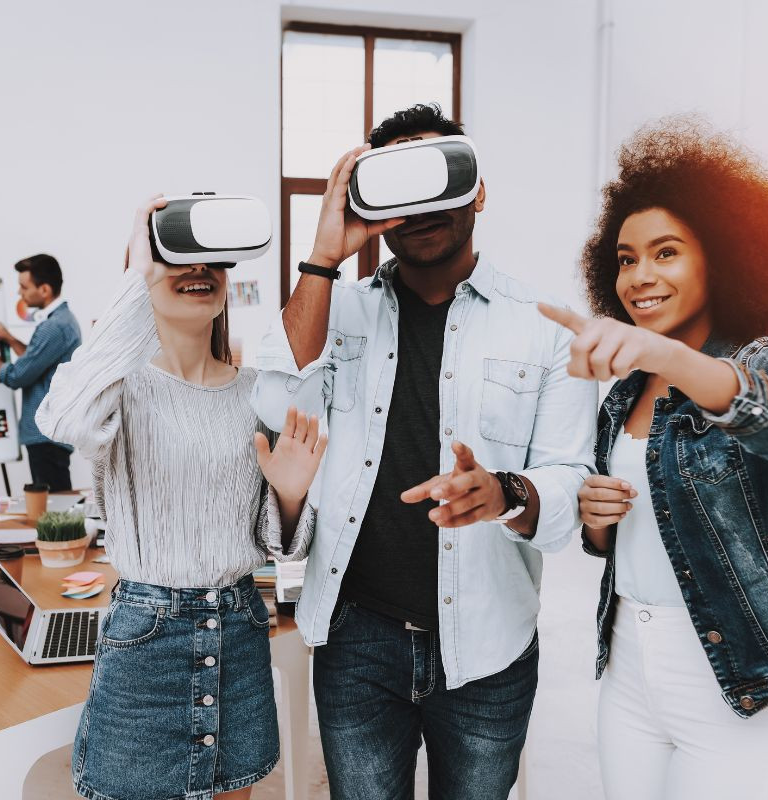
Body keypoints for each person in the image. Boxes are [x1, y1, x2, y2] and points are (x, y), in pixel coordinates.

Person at [250, 104, 598, 798]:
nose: (423, 206)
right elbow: (274, 405)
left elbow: (570, 480)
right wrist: (323, 255)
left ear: (478, 190)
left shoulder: (545, 328)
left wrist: (506, 492)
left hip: (488, 643)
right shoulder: (336, 308)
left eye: (440, 178)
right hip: (357, 636)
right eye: (398, 187)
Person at [546, 119, 768, 800]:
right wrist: (598, 522)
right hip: (629, 666)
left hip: (732, 680)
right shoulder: (626, 390)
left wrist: (673, 358)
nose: (640, 277)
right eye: (627, 259)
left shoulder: (763, 362)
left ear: (720, 257)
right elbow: (642, 529)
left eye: (666, 253)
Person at [36, 196, 326, 800]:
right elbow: (62, 418)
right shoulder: (119, 391)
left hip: (241, 628)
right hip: (147, 641)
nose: (199, 271)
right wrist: (139, 266)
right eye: (178, 258)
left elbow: (274, 540)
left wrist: (292, 496)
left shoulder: (256, 395)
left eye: (212, 262)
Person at [0, 254, 81, 491]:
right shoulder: (60, 321)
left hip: (47, 437)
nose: (19, 293)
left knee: (56, 513)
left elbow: (17, 376)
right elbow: (36, 361)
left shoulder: (54, 326)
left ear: (44, 290)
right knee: (54, 509)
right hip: (49, 437)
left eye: (24, 287)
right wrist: (9, 338)